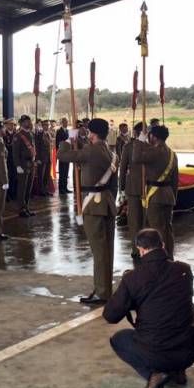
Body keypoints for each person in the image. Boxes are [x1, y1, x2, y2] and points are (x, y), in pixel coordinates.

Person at [103, 228, 194, 388]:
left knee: (119, 339)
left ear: (140, 250)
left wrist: (128, 296)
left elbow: (110, 315)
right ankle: (177, 371)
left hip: (156, 353)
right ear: (162, 245)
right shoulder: (184, 269)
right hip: (188, 352)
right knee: (188, 312)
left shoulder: (133, 278)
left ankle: (156, 374)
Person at [57, 118, 116, 305]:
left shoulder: (91, 150)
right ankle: (104, 288)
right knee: (107, 250)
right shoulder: (110, 151)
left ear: (93, 133)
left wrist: (67, 141)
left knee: (99, 251)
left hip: (94, 205)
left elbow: (62, 156)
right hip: (106, 203)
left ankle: (102, 292)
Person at [132, 125, 179, 258]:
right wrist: (173, 197)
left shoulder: (155, 152)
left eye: (150, 135)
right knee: (167, 229)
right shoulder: (172, 153)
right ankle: (169, 256)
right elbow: (175, 179)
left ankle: (161, 258)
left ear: (154, 137)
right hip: (168, 195)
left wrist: (139, 140)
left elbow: (136, 158)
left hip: (155, 195)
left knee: (157, 230)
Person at [119, 121, 145, 261]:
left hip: (142, 188)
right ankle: (137, 248)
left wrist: (122, 188)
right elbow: (122, 169)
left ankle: (139, 248)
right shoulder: (129, 146)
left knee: (138, 220)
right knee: (136, 220)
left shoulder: (147, 146)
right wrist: (122, 188)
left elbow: (123, 169)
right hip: (136, 188)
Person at [13, 115, 36, 217]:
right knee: (22, 188)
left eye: (29, 121)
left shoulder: (30, 134)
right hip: (22, 163)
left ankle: (26, 207)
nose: (29, 123)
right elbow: (15, 153)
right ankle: (21, 209)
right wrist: (18, 165)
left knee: (28, 188)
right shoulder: (18, 136)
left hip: (30, 163)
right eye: (26, 121)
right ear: (21, 123)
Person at [35, 119, 52, 197]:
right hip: (41, 158)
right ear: (42, 126)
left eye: (47, 125)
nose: (47, 126)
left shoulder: (48, 134)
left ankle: (45, 189)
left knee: (46, 175)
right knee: (41, 175)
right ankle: (41, 191)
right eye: (45, 125)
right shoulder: (39, 134)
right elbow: (37, 147)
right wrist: (37, 158)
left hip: (48, 158)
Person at [56, 118, 70, 195]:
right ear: (62, 123)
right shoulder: (59, 131)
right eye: (64, 122)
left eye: (67, 122)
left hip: (67, 153)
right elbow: (58, 142)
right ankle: (61, 189)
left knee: (66, 172)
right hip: (62, 153)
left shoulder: (68, 131)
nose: (66, 123)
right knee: (62, 172)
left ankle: (65, 187)